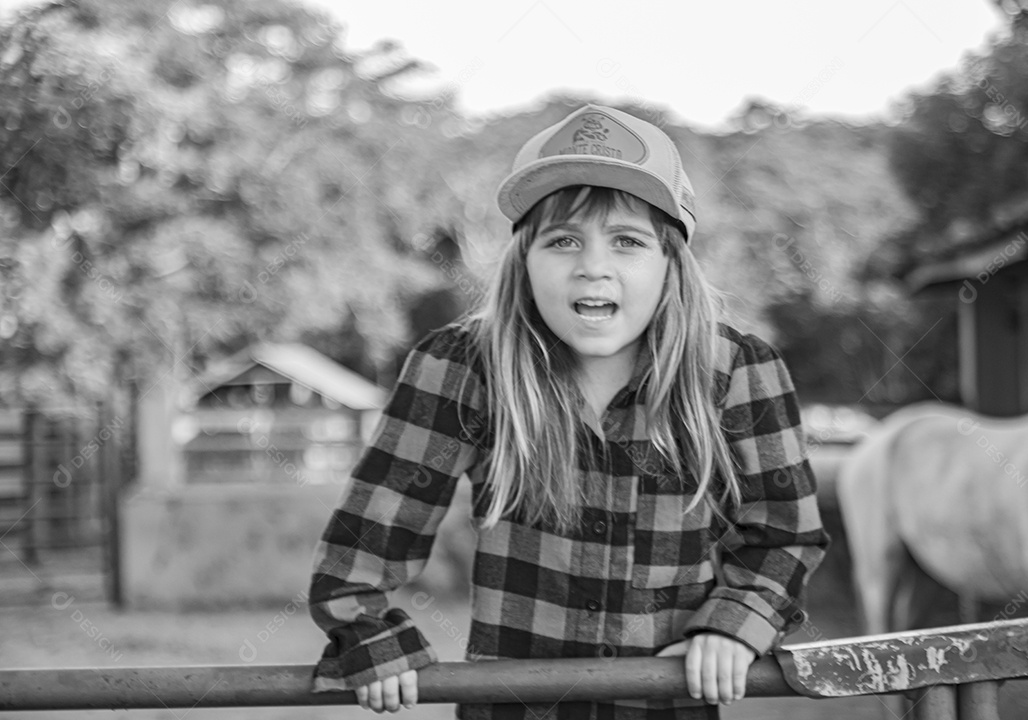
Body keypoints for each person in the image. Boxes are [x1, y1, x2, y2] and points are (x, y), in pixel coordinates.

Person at [307, 103, 830, 719]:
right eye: (562, 241)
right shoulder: (464, 368)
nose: (593, 267)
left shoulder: (738, 371)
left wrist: (734, 623)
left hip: (666, 709)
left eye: (628, 241)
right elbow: (366, 538)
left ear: (671, 264)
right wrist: (368, 630)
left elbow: (784, 535)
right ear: (524, 261)